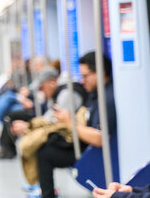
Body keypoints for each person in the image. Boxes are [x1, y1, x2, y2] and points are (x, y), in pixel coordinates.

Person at [36, 52, 117, 198]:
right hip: (85, 144)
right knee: (45, 146)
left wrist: (70, 123)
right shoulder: (96, 94)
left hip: (93, 151)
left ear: (100, 73)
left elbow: (99, 138)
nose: (82, 80)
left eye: (85, 76)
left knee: (45, 154)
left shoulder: (107, 99)